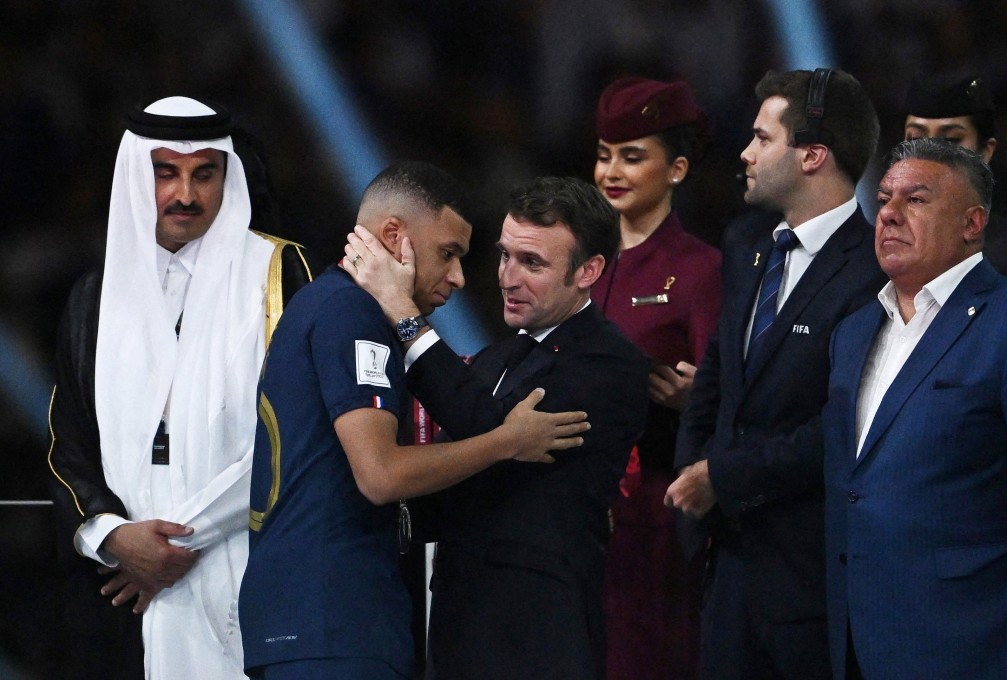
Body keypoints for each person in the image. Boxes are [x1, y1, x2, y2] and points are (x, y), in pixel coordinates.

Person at [238, 163, 590, 680]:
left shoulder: (323, 304)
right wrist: (505, 441)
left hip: (310, 617)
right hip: (335, 620)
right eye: (448, 253)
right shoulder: (351, 314)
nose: (459, 278)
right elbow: (381, 475)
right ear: (394, 237)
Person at [47, 96, 314, 680]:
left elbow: (296, 428)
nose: (185, 195)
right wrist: (115, 538)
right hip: (122, 591)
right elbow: (65, 447)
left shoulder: (277, 275)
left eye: (203, 174)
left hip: (250, 564)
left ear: (228, 175)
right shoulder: (93, 300)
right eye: (164, 172)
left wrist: (174, 546)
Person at [344, 176, 648, 680]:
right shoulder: (495, 361)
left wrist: (401, 310)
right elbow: (450, 474)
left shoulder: (608, 365)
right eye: (505, 255)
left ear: (588, 271)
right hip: (456, 633)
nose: (508, 276)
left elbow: (488, 428)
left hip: (537, 640)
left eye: (532, 263)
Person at [664, 68, 886, 679]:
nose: (745, 152)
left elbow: (846, 422)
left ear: (813, 155)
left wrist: (723, 476)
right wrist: (693, 473)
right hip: (724, 566)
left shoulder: (875, 271)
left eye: (762, 138)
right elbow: (717, 373)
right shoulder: (745, 244)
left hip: (807, 581)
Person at [824, 137, 1007, 679]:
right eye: (884, 198)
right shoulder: (852, 332)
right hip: (858, 637)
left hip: (975, 638)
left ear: (972, 223)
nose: (887, 213)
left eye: (915, 200)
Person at [591, 75, 722, 679]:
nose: (612, 171)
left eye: (632, 156)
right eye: (604, 155)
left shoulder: (699, 270)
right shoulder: (577, 263)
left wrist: (696, 401)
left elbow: (725, 395)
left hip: (654, 524)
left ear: (677, 169)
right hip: (573, 519)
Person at [902, 69, 1007, 280]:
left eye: (951, 140)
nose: (930, 153)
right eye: (917, 139)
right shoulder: (877, 254)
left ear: (985, 152)